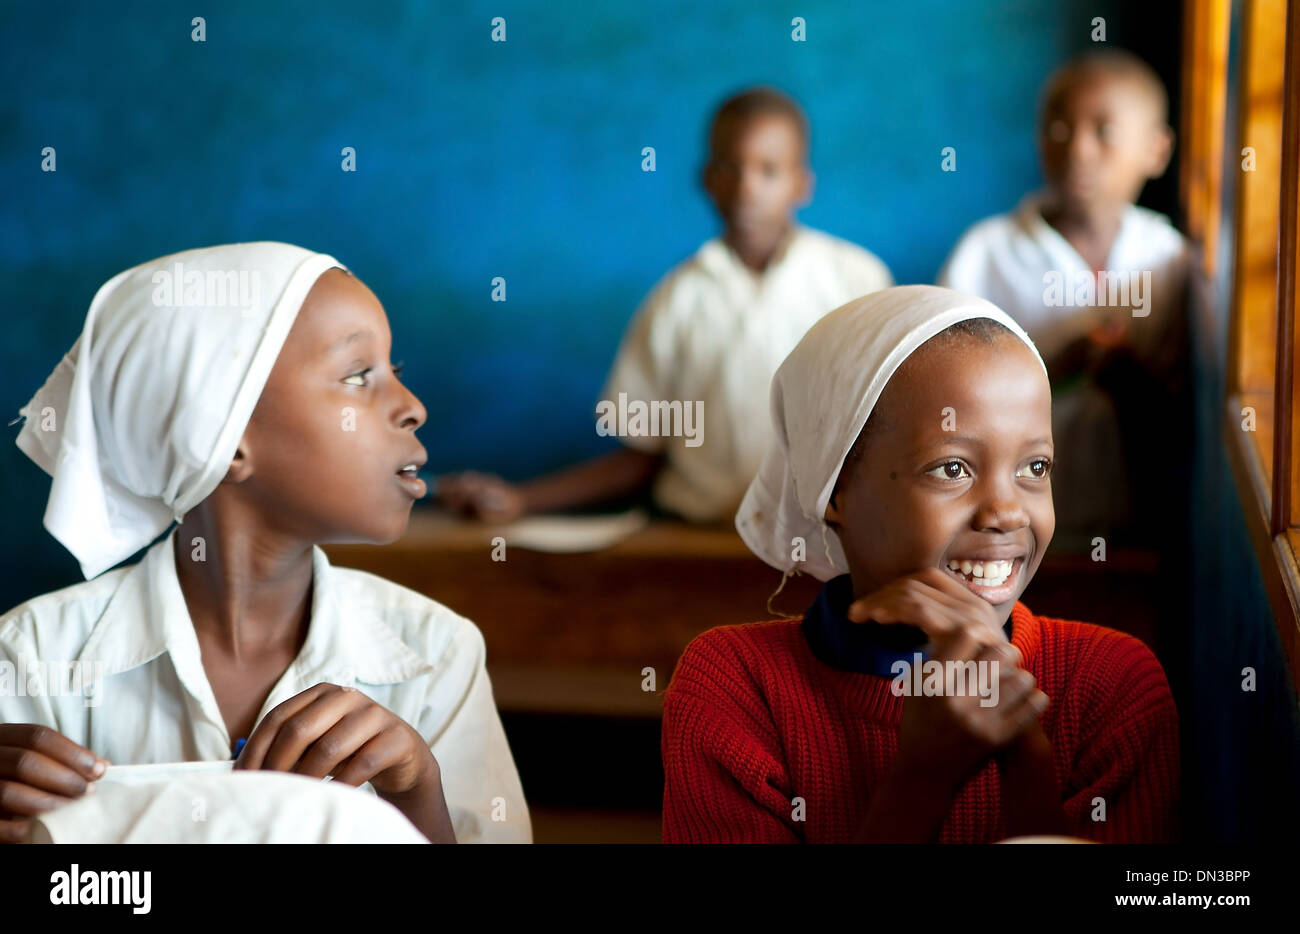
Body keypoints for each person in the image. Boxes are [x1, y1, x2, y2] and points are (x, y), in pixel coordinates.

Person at [0, 242, 530, 844]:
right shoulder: (32, 663)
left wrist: (416, 791)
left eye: (397, 375)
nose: (412, 408)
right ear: (219, 439)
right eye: (359, 376)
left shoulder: (436, 653)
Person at [661, 286, 1179, 843]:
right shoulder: (735, 688)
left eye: (1035, 465)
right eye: (952, 469)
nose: (1007, 512)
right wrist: (923, 778)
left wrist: (1022, 750)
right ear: (831, 489)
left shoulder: (1110, 685)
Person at [438, 86, 892, 525]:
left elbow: (891, 431)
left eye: (769, 170)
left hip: (821, 546)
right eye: (731, 168)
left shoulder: (857, 282)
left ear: (802, 184)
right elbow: (642, 455)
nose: (747, 187)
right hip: (694, 541)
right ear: (707, 180)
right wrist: (522, 499)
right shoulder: (676, 300)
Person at [937, 49, 1190, 549]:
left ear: (1157, 151)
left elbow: (1184, 404)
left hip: (1137, 530)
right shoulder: (985, 254)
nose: (1078, 151)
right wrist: (1052, 369)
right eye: (1058, 130)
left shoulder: (1170, 260)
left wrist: (1131, 380)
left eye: (1104, 132)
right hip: (1003, 532)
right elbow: (943, 401)